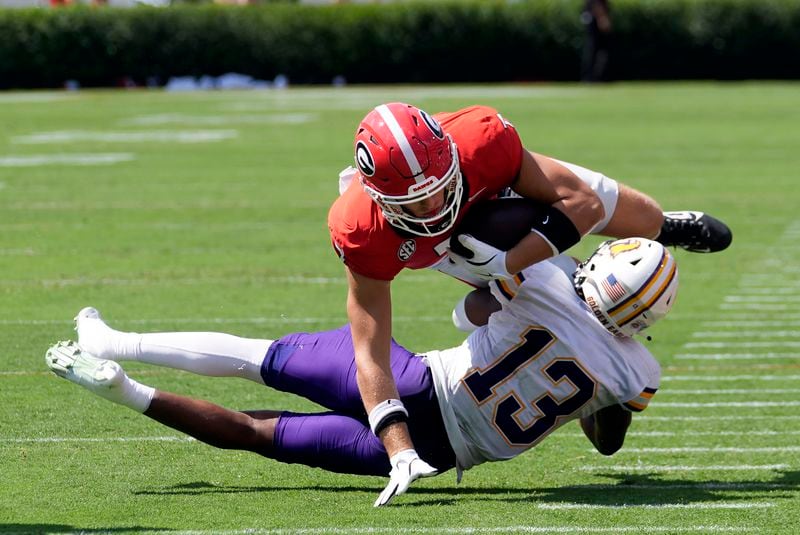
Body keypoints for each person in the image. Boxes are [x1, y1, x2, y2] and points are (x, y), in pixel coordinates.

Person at [47, 237, 678, 507]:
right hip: (438, 451)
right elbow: (607, 440)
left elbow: (463, 305)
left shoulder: (545, 279)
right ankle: (126, 393)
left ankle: (116, 342)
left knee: (257, 358)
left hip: (411, 384)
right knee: (255, 432)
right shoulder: (637, 371)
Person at [326, 102, 730, 486]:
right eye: (416, 203)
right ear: (379, 198)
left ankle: (666, 227)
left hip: (498, 196)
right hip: (454, 247)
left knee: (643, 218)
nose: (434, 205)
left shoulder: (479, 140)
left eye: (440, 188)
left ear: (450, 154)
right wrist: (399, 449)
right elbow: (369, 351)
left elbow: (582, 204)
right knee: (500, 293)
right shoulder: (362, 230)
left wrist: (508, 262)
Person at [581, 0, 613, 82]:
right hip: (596, 28)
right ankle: (593, 78)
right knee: (595, 53)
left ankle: (594, 78)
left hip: (596, 28)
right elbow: (597, 7)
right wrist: (601, 18)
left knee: (596, 53)